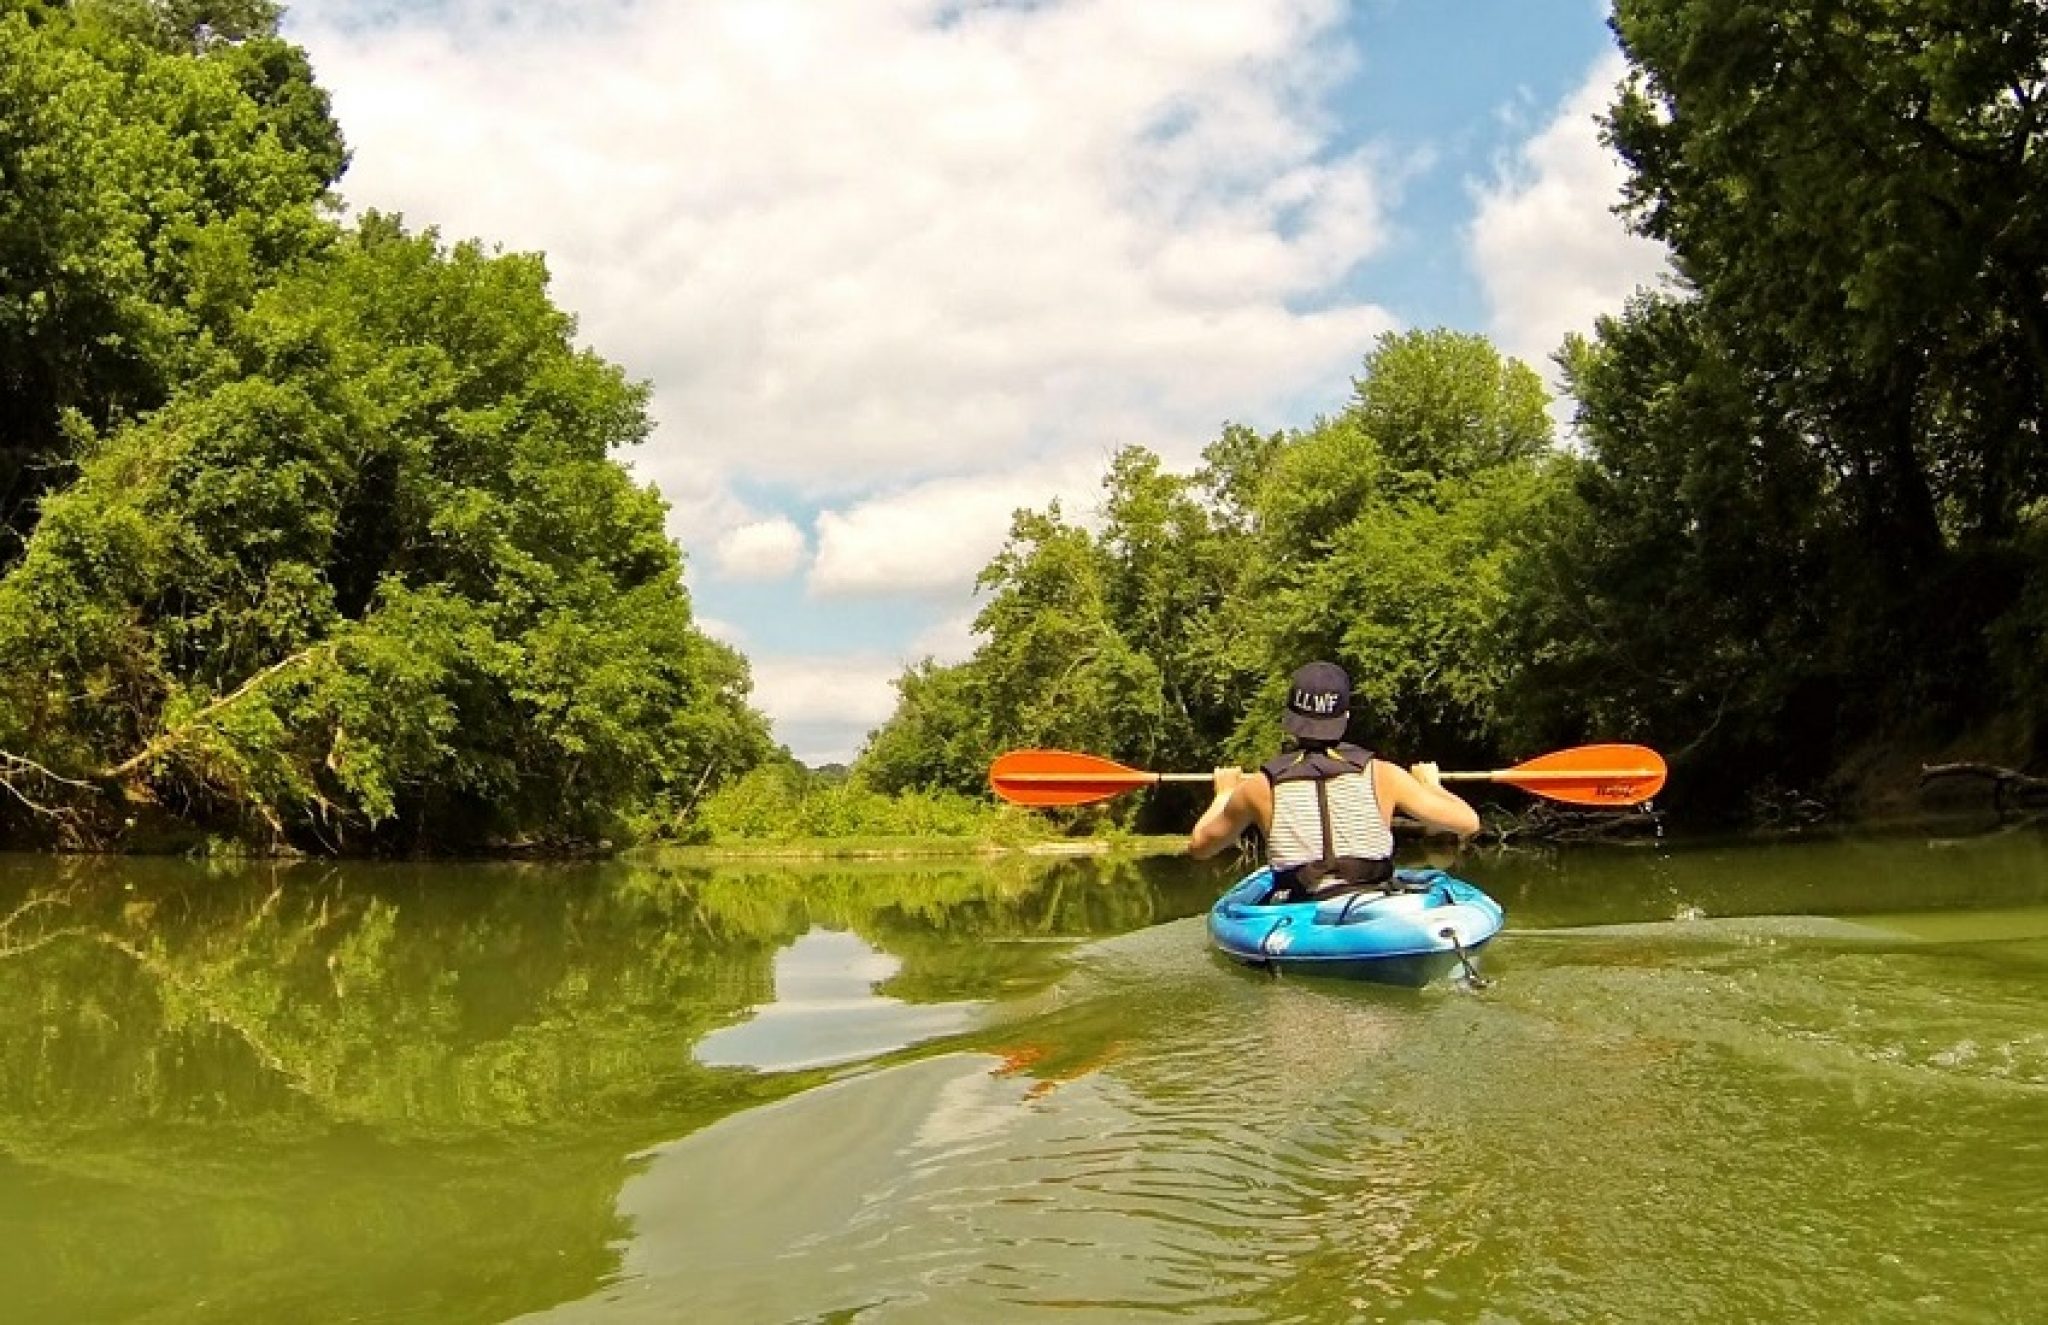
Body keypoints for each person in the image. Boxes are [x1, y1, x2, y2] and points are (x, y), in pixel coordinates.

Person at [1187, 660, 1480, 898]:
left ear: (1290, 719)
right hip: (1373, 896)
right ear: (1346, 716)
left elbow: (1200, 847)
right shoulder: (1383, 774)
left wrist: (1223, 793)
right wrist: (1431, 785)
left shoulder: (1260, 787)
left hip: (1299, 904)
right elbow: (1468, 823)